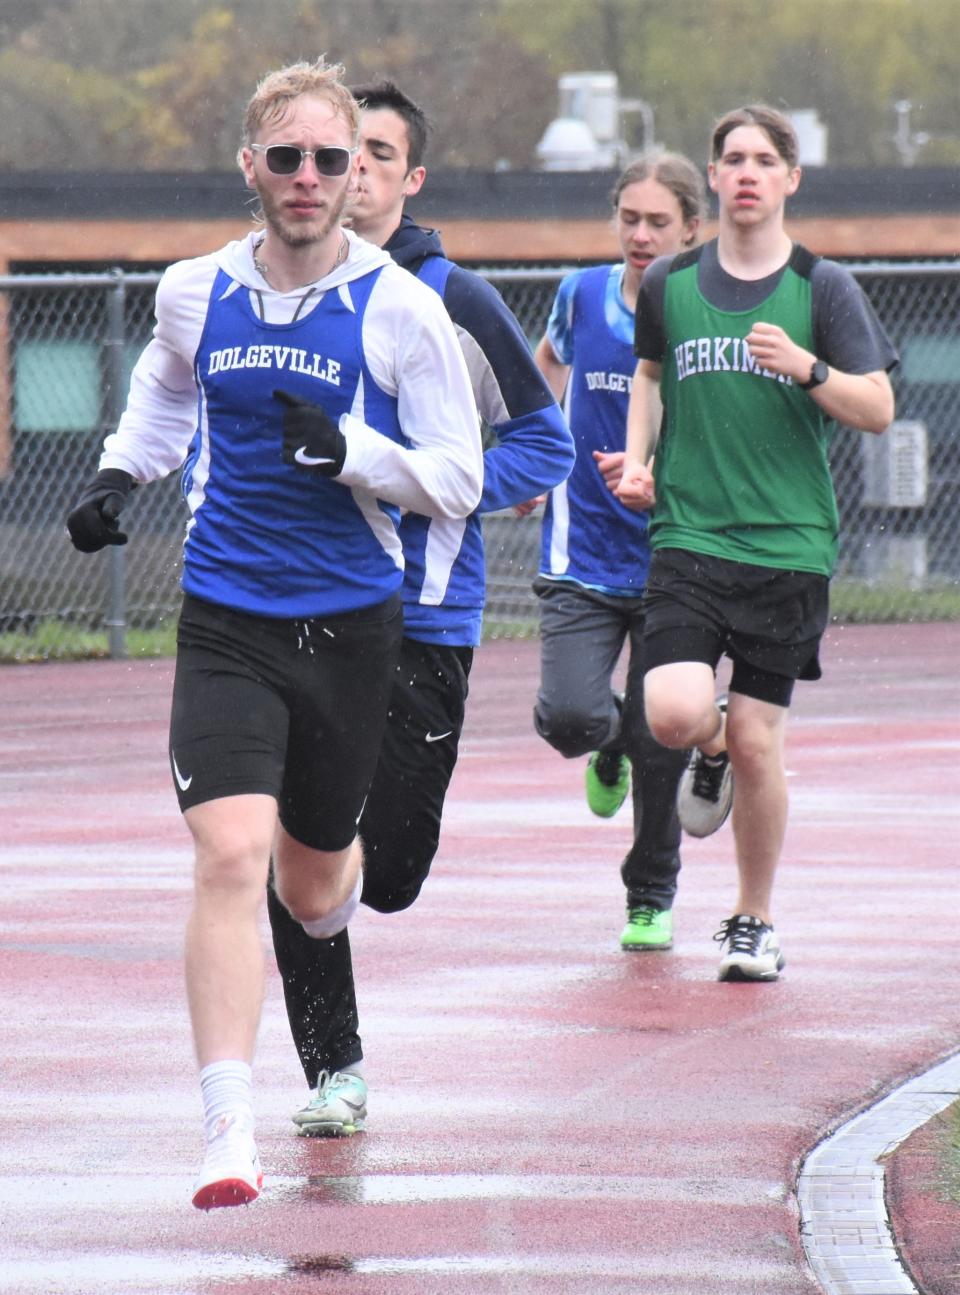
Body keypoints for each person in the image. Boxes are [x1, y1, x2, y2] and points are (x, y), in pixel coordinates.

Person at [65, 58, 484, 1209]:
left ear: (359, 178)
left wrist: (349, 449)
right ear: (250, 165)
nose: (306, 178)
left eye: (330, 159)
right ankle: (227, 1128)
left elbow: (459, 476)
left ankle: (333, 877)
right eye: (285, 156)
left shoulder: (401, 308)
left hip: (351, 626)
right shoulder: (196, 290)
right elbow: (162, 393)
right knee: (228, 855)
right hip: (228, 620)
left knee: (311, 889)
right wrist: (117, 472)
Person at [266, 82, 573, 1137]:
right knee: (292, 836)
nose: (342, 174)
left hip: (422, 614)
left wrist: (431, 474)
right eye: (328, 154)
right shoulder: (281, 286)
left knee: (385, 871)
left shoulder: (455, 297)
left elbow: (549, 444)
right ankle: (332, 1065)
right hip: (297, 601)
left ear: (404, 176)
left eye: (371, 154)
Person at [617, 104, 897, 982]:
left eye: (762, 159)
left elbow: (881, 410)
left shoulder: (822, 289)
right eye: (731, 158)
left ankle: (752, 917)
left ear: (789, 179)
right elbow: (650, 376)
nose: (745, 172)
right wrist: (637, 459)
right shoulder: (670, 283)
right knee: (670, 711)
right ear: (715, 176)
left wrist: (811, 369)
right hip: (689, 535)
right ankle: (709, 747)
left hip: (787, 545)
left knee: (762, 743)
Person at [530, 155, 705, 953]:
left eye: (657, 222)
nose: (640, 235)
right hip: (582, 552)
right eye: (628, 218)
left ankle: (650, 892)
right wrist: (527, 453)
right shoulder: (579, 296)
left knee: (661, 736)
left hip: (676, 556)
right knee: (572, 713)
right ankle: (605, 745)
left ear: (690, 230)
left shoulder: (706, 315)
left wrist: (658, 473)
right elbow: (543, 369)